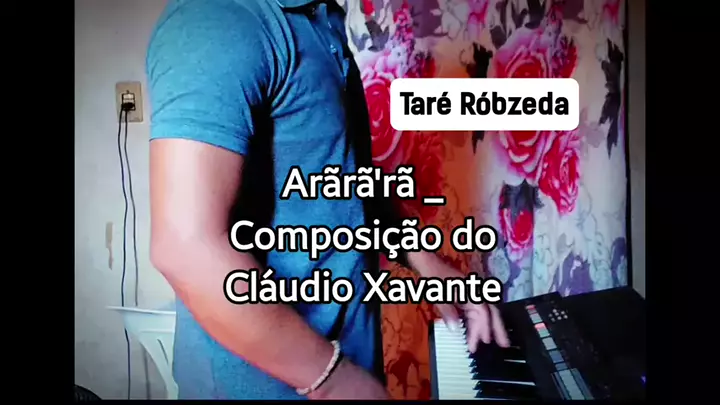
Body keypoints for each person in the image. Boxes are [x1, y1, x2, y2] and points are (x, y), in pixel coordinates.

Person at [146, 0, 510, 400]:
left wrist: (428, 264)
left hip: (341, 366)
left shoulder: (324, 17)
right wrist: (334, 382)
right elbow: (186, 249)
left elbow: (340, 179)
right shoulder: (215, 18)